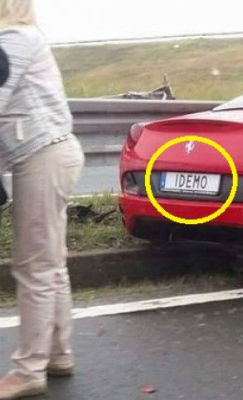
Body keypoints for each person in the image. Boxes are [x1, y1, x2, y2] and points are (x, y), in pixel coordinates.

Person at [0, 1, 84, 398]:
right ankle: (57, 354)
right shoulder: (22, 37)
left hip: (42, 154)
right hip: (47, 152)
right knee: (50, 263)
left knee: (33, 265)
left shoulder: (13, 38)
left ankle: (28, 371)